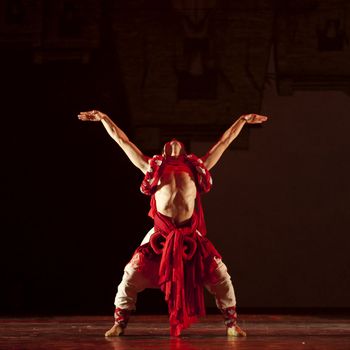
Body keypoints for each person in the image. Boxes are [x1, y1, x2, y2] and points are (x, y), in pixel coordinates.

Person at [78, 110, 268, 337]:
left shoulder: (197, 168)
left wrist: (243, 120)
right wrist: (103, 118)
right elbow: (122, 141)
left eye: (177, 141)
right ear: (164, 150)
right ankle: (120, 323)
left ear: (183, 150)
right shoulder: (152, 168)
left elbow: (224, 142)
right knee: (130, 276)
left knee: (221, 277)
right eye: (168, 141)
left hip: (190, 234)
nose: (172, 141)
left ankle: (231, 324)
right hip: (161, 234)